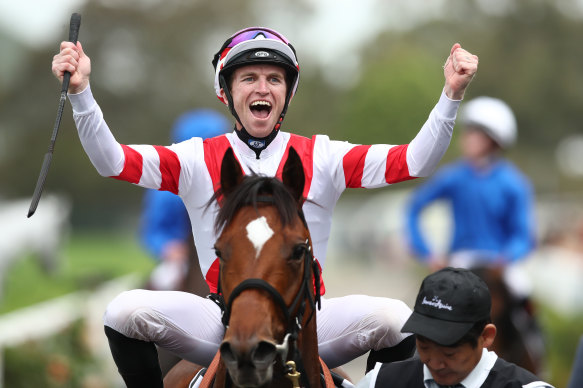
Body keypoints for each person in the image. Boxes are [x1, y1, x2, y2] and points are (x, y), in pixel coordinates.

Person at [51, 26, 478, 387]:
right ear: (226, 92)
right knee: (122, 311)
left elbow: (416, 161)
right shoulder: (196, 158)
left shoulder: (325, 157)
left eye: (274, 79)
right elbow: (113, 162)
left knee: (395, 318)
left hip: (310, 320)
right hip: (222, 318)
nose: (262, 88)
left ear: (287, 92)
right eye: (249, 77)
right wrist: (82, 92)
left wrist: (451, 95)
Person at [357, 267, 554, 388]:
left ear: (486, 336)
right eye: (424, 347)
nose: (434, 363)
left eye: (449, 353)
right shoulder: (379, 382)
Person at [405, 96, 536, 271]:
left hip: (499, 266)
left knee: (522, 295)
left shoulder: (514, 184)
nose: (466, 137)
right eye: (467, 131)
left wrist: (506, 258)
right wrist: (427, 253)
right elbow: (414, 206)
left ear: (494, 140)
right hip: (460, 262)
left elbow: (523, 236)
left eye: (475, 132)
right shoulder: (453, 177)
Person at [140, 109, 230, 292]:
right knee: (164, 281)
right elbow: (152, 230)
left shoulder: (232, 180)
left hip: (227, 254)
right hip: (183, 260)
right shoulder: (163, 186)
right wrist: (168, 247)